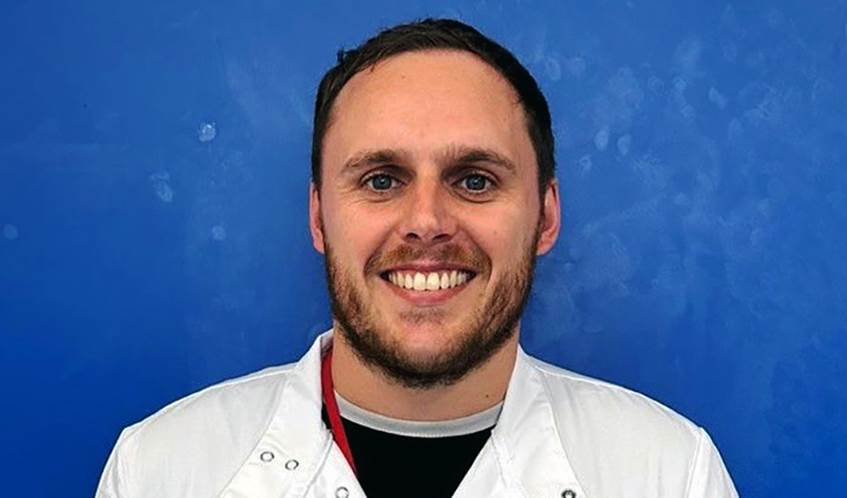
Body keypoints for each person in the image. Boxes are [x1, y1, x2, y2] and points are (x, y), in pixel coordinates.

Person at [96, 18, 738, 498]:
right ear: (319, 217)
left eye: (476, 180)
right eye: (381, 179)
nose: (427, 222)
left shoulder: (670, 472)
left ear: (545, 216)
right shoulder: (161, 470)